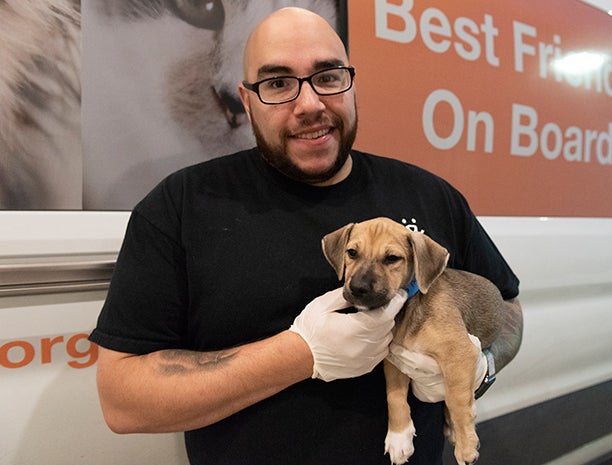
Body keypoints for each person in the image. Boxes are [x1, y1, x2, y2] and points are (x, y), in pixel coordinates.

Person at [89, 7, 522, 465]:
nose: (310, 103)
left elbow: (509, 310)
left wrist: (483, 365)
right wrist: (299, 354)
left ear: (351, 82)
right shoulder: (180, 206)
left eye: (328, 76)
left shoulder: (430, 194)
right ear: (247, 97)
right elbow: (122, 401)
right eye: (277, 83)